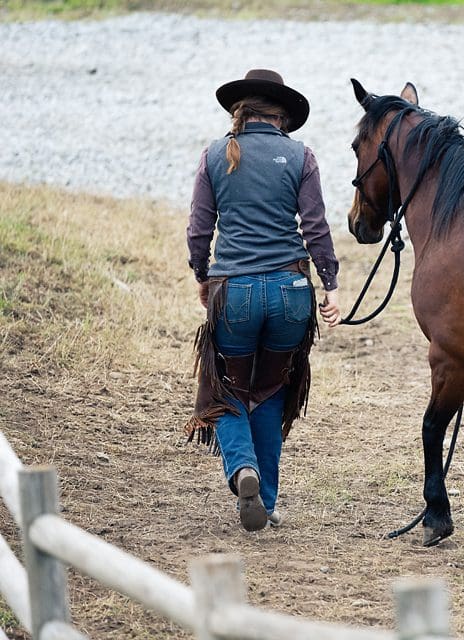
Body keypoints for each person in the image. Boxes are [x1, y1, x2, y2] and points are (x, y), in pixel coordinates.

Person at [184, 69, 341, 532]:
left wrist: (201, 276)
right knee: (272, 390)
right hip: (292, 293)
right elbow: (315, 226)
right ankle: (266, 502)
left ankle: (242, 470)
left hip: (234, 292)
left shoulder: (214, 154)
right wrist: (330, 283)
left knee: (227, 388)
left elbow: (199, 228)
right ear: (283, 117)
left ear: (240, 111)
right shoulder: (301, 156)